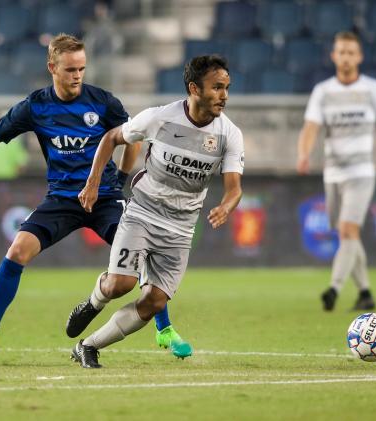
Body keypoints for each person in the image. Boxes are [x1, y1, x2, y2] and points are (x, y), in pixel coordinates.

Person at [0, 33, 191, 358]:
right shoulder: (36, 106)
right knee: (17, 251)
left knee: (141, 256)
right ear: (52, 67)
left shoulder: (102, 102)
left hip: (104, 198)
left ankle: (165, 330)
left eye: (81, 68)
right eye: (70, 69)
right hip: (62, 200)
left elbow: (132, 139)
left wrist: (121, 179)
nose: (77, 76)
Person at [66, 55, 244, 368]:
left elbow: (234, 187)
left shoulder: (229, 134)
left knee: (153, 303)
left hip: (180, 228)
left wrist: (226, 206)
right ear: (194, 88)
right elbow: (111, 138)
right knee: (120, 285)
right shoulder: (159, 117)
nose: (224, 95)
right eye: (217, 87)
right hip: (143, 214)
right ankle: (94, 301)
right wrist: (93, 182)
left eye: (227, 88)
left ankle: (88, 346)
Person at [296, 31, 376, 312]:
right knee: (348, 235)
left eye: (350, 52)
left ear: (359, 56)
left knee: (347, 229)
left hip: (362, 171)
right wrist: (304, 153)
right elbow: (311, 128)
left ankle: (334, 288)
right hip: (333, 173)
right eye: (340, 52)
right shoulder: (323, 91)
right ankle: (365, 293)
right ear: (333, 56)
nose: (345, 57)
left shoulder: (374, 89)